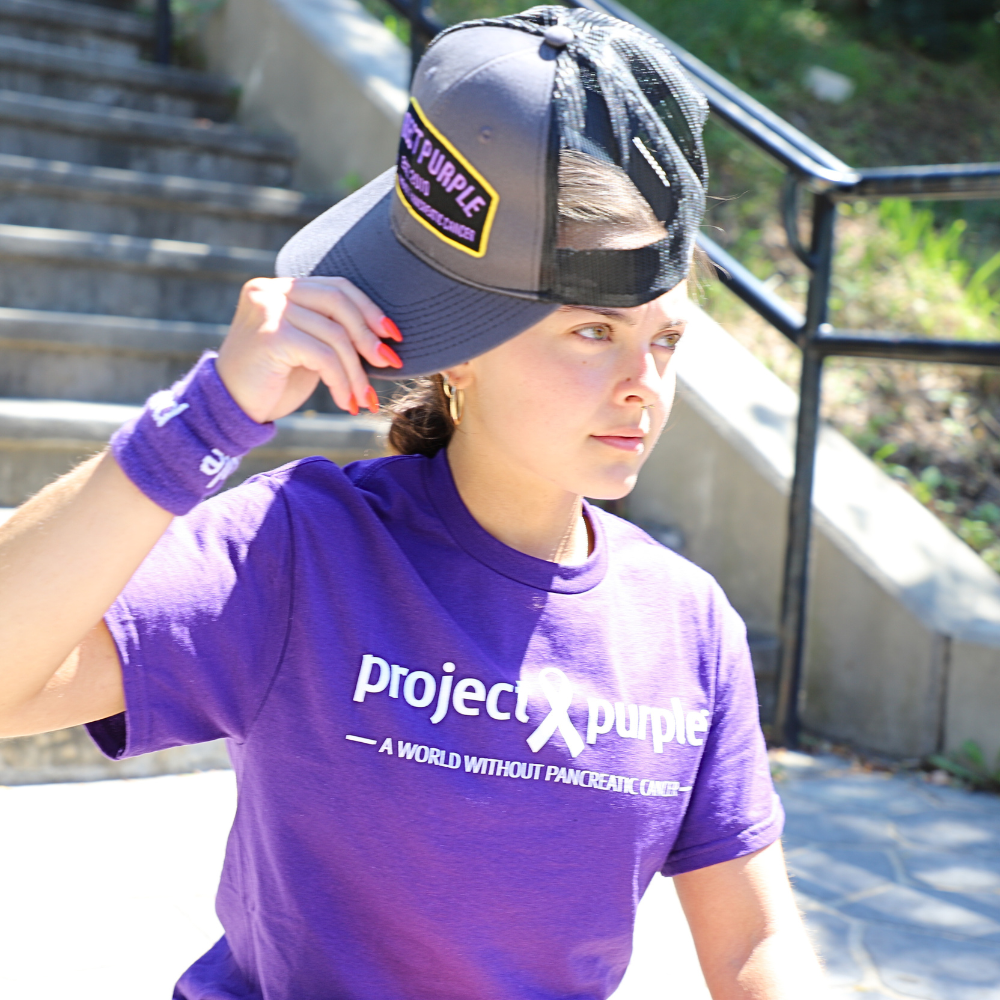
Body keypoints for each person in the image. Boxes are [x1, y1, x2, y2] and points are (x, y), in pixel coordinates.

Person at [0, 7, 828, 999]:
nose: (642, 383)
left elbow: (752, 944)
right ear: (459, 354)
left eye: (664, 341)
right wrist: (201, 421)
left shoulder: (687, 625)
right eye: (591, 334)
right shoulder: (302, 548)